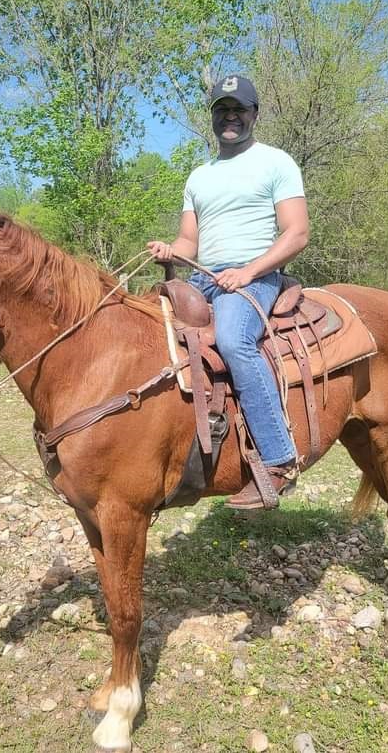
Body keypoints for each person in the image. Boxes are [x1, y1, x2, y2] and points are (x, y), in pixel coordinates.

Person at [147, 74, 310, 509]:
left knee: (235, 342)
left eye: (239, 109)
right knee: (145, 331)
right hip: (203, 277)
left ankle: (278, 461)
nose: (230, 117)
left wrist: (248, 271)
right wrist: (170, 250)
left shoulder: (276, 162)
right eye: (222, 109)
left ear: (254, 114)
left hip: (257, 276)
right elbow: (188, 244)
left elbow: (297, 233)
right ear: (213, 117)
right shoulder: (199, 177)